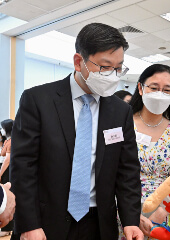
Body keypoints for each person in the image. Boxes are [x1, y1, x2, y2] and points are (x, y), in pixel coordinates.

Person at [10, 23, 143, 240]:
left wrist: (130, 220)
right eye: (104, 67)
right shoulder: (38, 100)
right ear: (78, 61)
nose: (113, 75)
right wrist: (28, 223)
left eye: (118, 68)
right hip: (45, 223)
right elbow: (23, 166)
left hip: (99, 224)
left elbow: (127, 171)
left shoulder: (121, 111)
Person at [118, 64, 170, 240]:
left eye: (167, 90)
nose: (160, 94)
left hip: (163, 213)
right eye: (154, 88)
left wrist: (162, 211)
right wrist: (128, 214)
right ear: (141, 88)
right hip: (123, 210)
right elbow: (109, 172)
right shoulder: (121, 124)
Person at [0, 119, 14, 237]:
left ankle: (7, 227)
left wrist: (0, 174)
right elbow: (3, 153)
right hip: (5, 170)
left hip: (6, 171)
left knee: (5, 197)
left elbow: (7, 159)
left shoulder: (11, 141)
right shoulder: (8, 141)